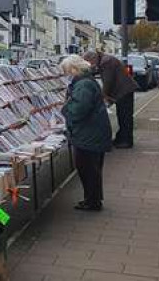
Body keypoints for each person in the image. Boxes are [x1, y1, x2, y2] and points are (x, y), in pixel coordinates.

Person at [60, 55, 112, 212]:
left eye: (67, 71)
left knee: (87, 168)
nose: (67, 75)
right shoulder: (87, 82)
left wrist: (65, 108)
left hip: (88, 134)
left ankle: (93, 202)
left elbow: (78, 110)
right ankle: (93, 199)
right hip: (92, 132)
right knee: (92, 169)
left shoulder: (83, 85)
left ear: (74, 69)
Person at [83, 51, 136, 149]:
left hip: (123, 91)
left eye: (89, 63)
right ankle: (121, 138)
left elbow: (108, 81)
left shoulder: (106, 62)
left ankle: (126, 141)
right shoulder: (105, 60)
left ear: (93, 59)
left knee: (125, 116)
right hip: (124, 90)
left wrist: (103, 95)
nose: (90, 65)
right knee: (123, 116)